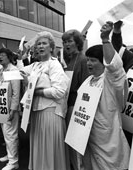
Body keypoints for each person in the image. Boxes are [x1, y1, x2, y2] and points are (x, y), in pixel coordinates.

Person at [79, 21, 130, 170]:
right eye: (88, 59)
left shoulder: (111, 80)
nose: (89, 63)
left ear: (103, 62)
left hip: (108, 139)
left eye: (93, 60)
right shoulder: (88, 80)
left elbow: (115, 67)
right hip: (89, 135)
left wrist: (105, 39)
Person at [20, 31, 70, 170]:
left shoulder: (54, 65)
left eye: (44, 43)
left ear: (51, 47)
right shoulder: (35, 65)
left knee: (49, 148)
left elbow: (59, 91)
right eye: (38, 44)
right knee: (39, 146)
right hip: (36, 112)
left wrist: (36, 91)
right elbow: (19, 71)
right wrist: (21, 56)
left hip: (50, 113)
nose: (41, 46)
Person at [61, 29, 89, 170]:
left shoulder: (83, 60)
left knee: (75, 144)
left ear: (77, 42)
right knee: (70, 143)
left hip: (75, 107)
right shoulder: (69, 60)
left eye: (70, 41)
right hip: (66, 105)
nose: (66, 44)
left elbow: (85, 88)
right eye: (64, 41)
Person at [0, 48, 21, 170]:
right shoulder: (1, 70)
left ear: (9, 56)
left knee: (11, 134)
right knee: (6, 133)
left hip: (10, 108)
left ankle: (13, 162)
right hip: (1, 107)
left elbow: (16, 92)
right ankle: (10, 155)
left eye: (2, 55)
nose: (0, 58)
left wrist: (13, 109)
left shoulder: (13, 70)